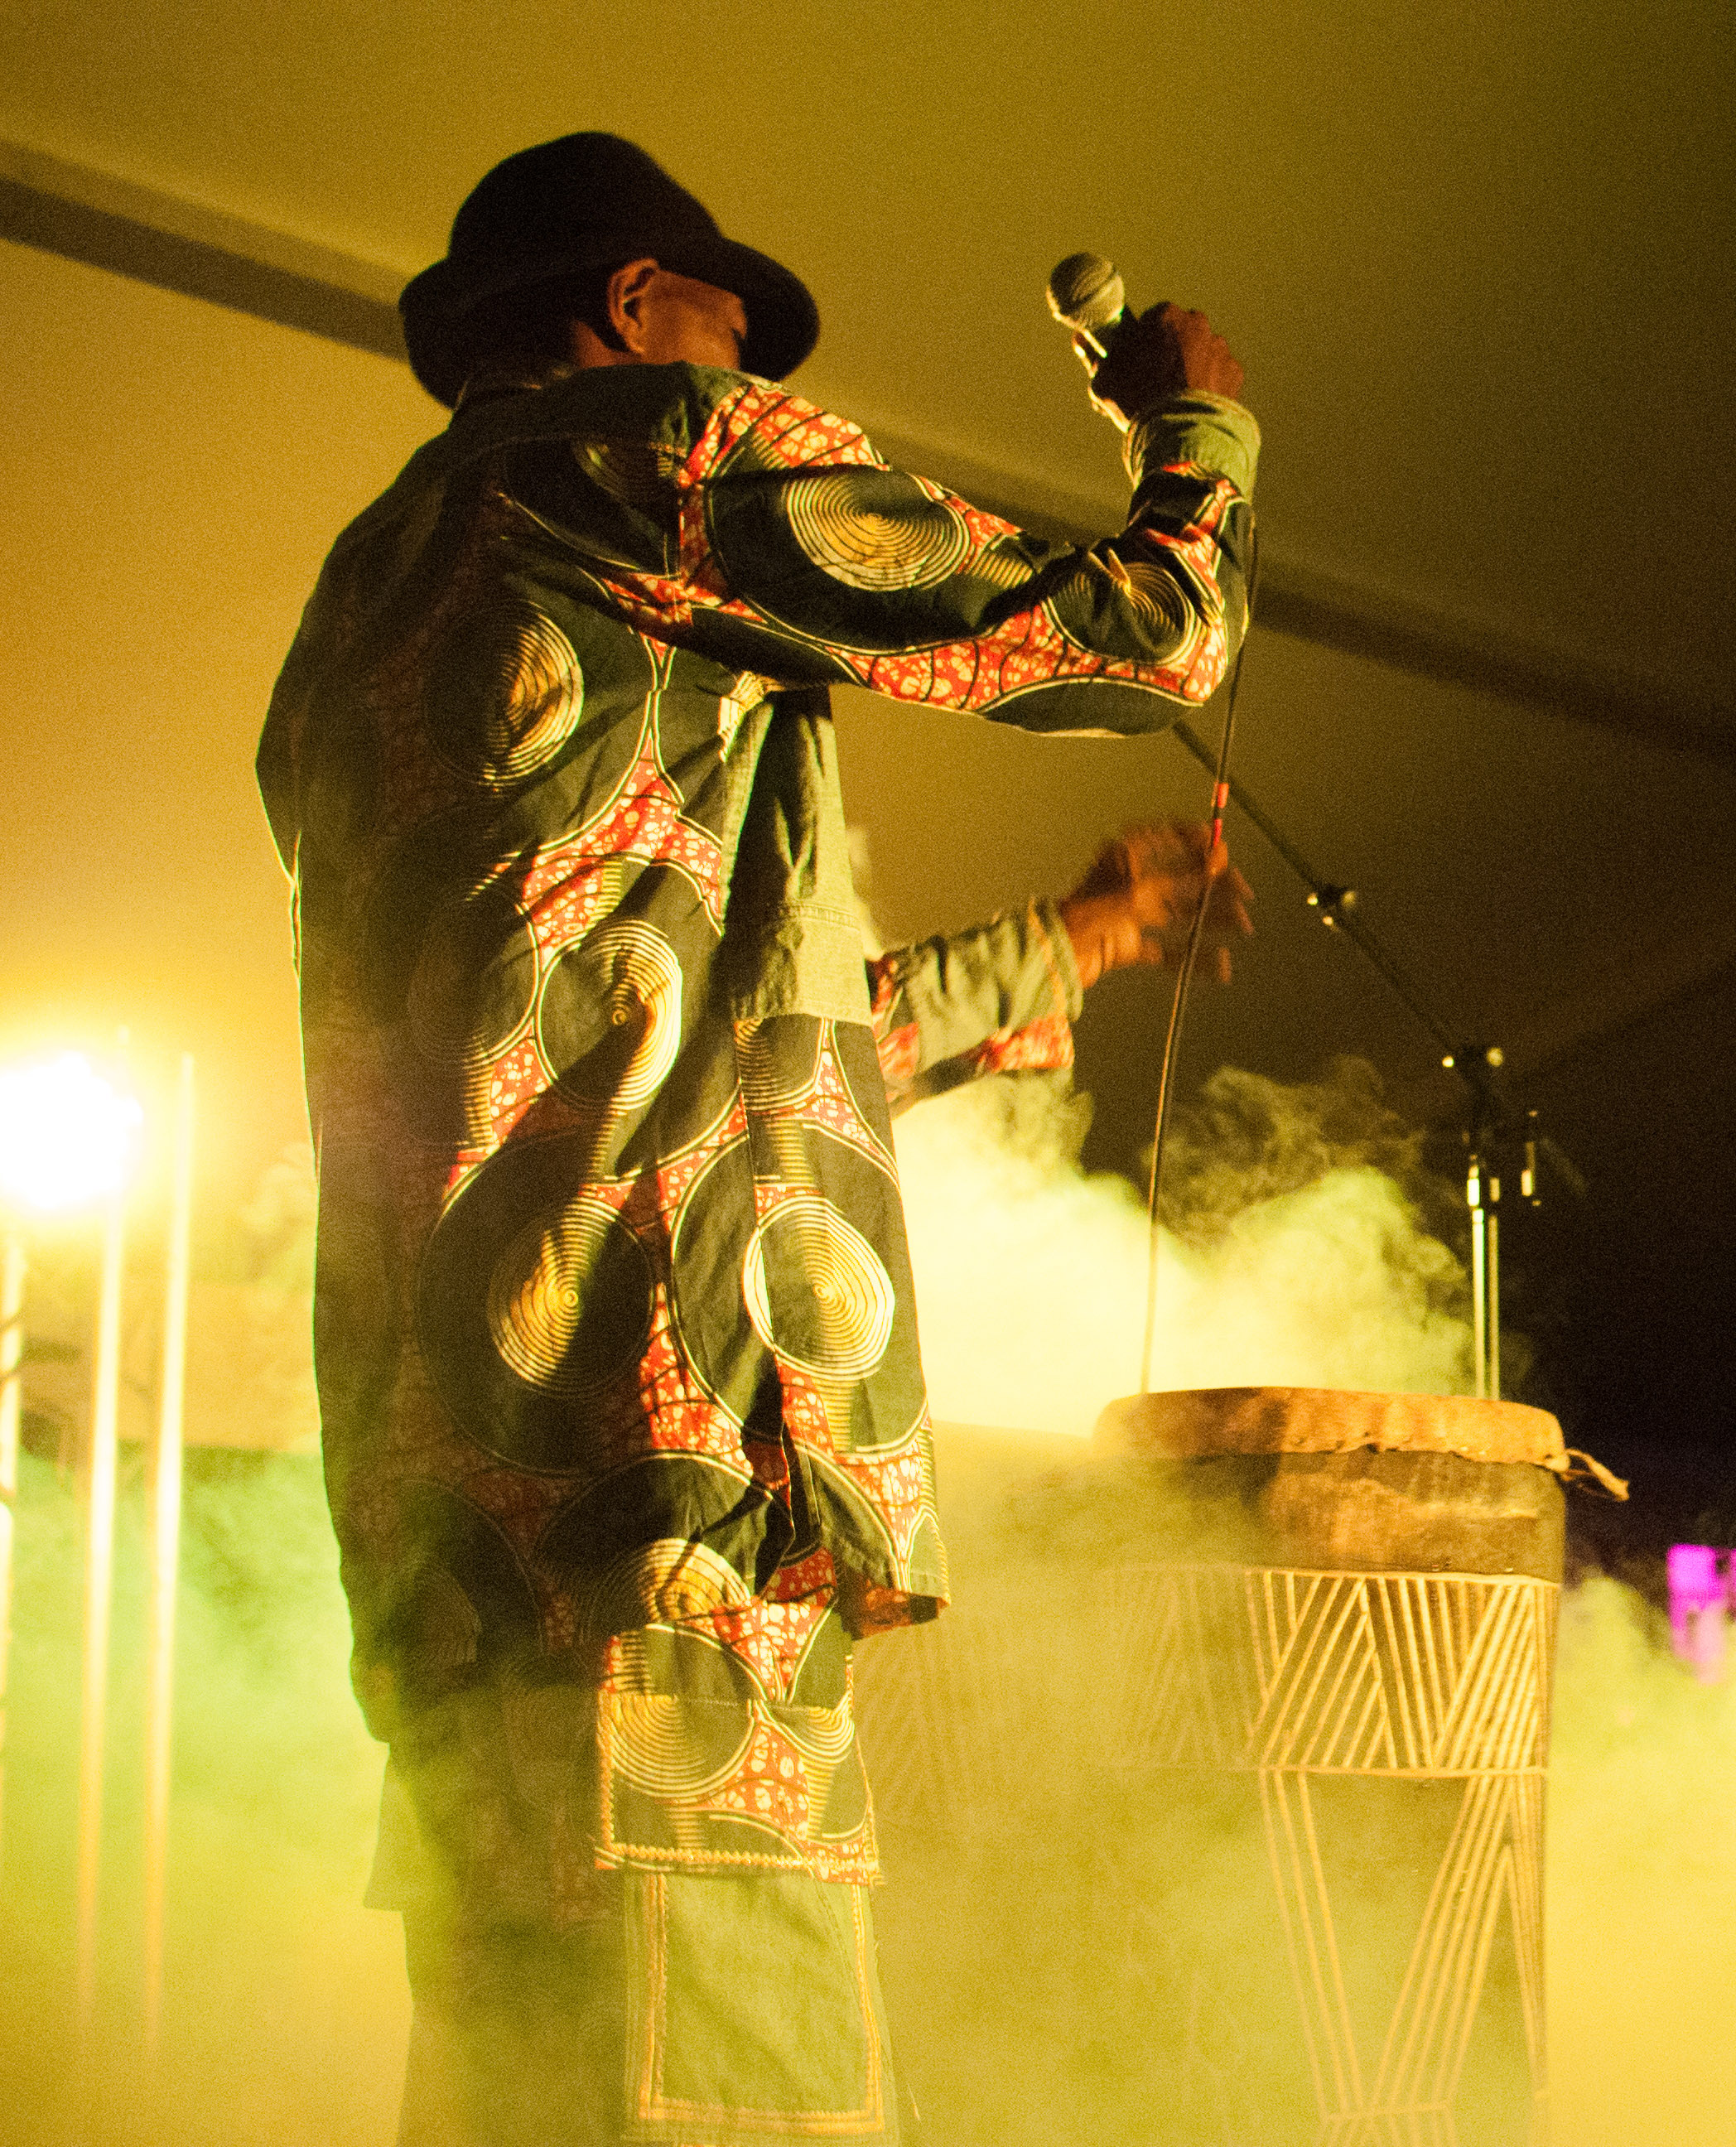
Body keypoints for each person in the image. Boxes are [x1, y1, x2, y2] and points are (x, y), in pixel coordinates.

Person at [256, 132, 1255, 2145]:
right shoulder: (656, 448)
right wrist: (1195, 442)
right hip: (667, 1494)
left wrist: (1065, 944)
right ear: (634, 308)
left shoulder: (357, 613)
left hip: (452, 1553)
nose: (759, 368)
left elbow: (664, 1027)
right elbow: (1148, 640)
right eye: (729, 320)